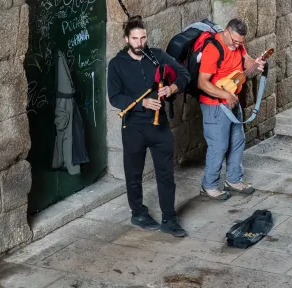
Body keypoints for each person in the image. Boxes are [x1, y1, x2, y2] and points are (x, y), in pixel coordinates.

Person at [107, 15, 191, 237]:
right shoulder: (116, 64)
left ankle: (169, 218)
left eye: (143, 38)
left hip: (159, 125)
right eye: (135, 39)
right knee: (133, 174)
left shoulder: (158, 56)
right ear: (127, 39)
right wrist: (141, 102)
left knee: (166, 174)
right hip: (133, 127)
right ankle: (138, 213)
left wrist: (172, 89)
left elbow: (184, 75)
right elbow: (114, 97)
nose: (140, 43)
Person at [197, 18, 265, 200]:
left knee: (238, 140)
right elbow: (202, 83)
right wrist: (225, 95)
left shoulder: (238, 45)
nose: (237, 45)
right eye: (234, 41)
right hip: (215, 106)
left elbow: (246, 60)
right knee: (219, 145)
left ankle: (233, 179)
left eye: (240, 42)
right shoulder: (213, 49)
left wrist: (256, 63)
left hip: (232, 101)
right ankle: (209, 185)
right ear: (226, 32)